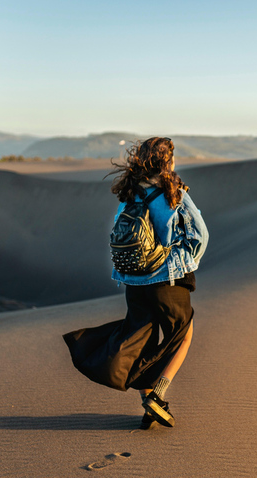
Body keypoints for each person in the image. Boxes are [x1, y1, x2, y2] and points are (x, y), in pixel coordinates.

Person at [63, 137, 208, 430]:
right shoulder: (172, 191)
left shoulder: (131, 192)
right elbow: (200, 233)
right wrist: (186, 261)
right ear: (167, 161)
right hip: (168, 276)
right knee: (183, 332)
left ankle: (150, 409)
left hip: (134, 279)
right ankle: (158, 393)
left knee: (142, 337)